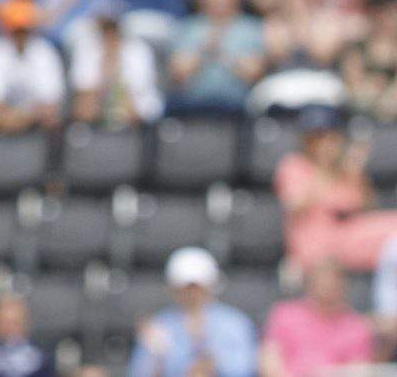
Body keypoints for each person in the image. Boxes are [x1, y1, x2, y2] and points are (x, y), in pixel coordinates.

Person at [275, 105, 397, 271]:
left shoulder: (347, 169)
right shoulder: (294, 166)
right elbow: (296, 207)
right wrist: (324, 167)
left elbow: (368, 208)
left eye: (330, 137)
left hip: (350, 237)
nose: (324, 143)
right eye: (317, 138)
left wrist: (358, 174)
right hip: (314, 247)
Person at [128, 247, 257, 377]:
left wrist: (209, 358)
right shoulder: (160, 325)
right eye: (186, 288)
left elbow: (245, 368)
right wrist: (156, 357)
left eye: (197, 288)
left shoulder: (235, 323)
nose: (192, 294)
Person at [166, 0, 267, 115]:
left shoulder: (251, 29)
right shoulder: (187, 28)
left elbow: (254, 73)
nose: (220, 0)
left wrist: (222, 52)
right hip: (191, 110)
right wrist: (205, 50)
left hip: (239, 112)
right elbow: (179, 73)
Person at [260, 257, 373, 376]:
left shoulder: (357, 327)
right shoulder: (284, 315)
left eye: (333, 280)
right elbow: (270, 361)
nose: (327, 286)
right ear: (309, 282)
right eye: (321, 279)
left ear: (344, 285)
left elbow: (358, 370)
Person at [0, 0, 66, 133]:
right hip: (2, 129)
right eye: (15, 30)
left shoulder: (44, 51)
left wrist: (20, 119)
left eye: (24, 30)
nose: (20, 35)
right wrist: (13, 119)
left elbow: (51, 107)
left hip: (38, 129)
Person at [69, 6, 164, 127]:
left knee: (136, 106)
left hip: (137, 104)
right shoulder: (87, 49)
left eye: (113, 29)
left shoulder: (138, 49)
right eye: (105, 30)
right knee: (85, 106)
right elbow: (84, 91)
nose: (110, 35)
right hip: (100, 103)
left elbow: (139, 88)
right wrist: (106, 70)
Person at [341, 0, 397, 121]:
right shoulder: (357, 48)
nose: (391, 19)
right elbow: (353, 87)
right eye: (386, 13)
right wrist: (373, 89)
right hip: (363, 117)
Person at [0, 292, 54, 377]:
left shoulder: (43, 360)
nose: (10, 328)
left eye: (15, 322)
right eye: (4, 323)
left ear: (27, 323)